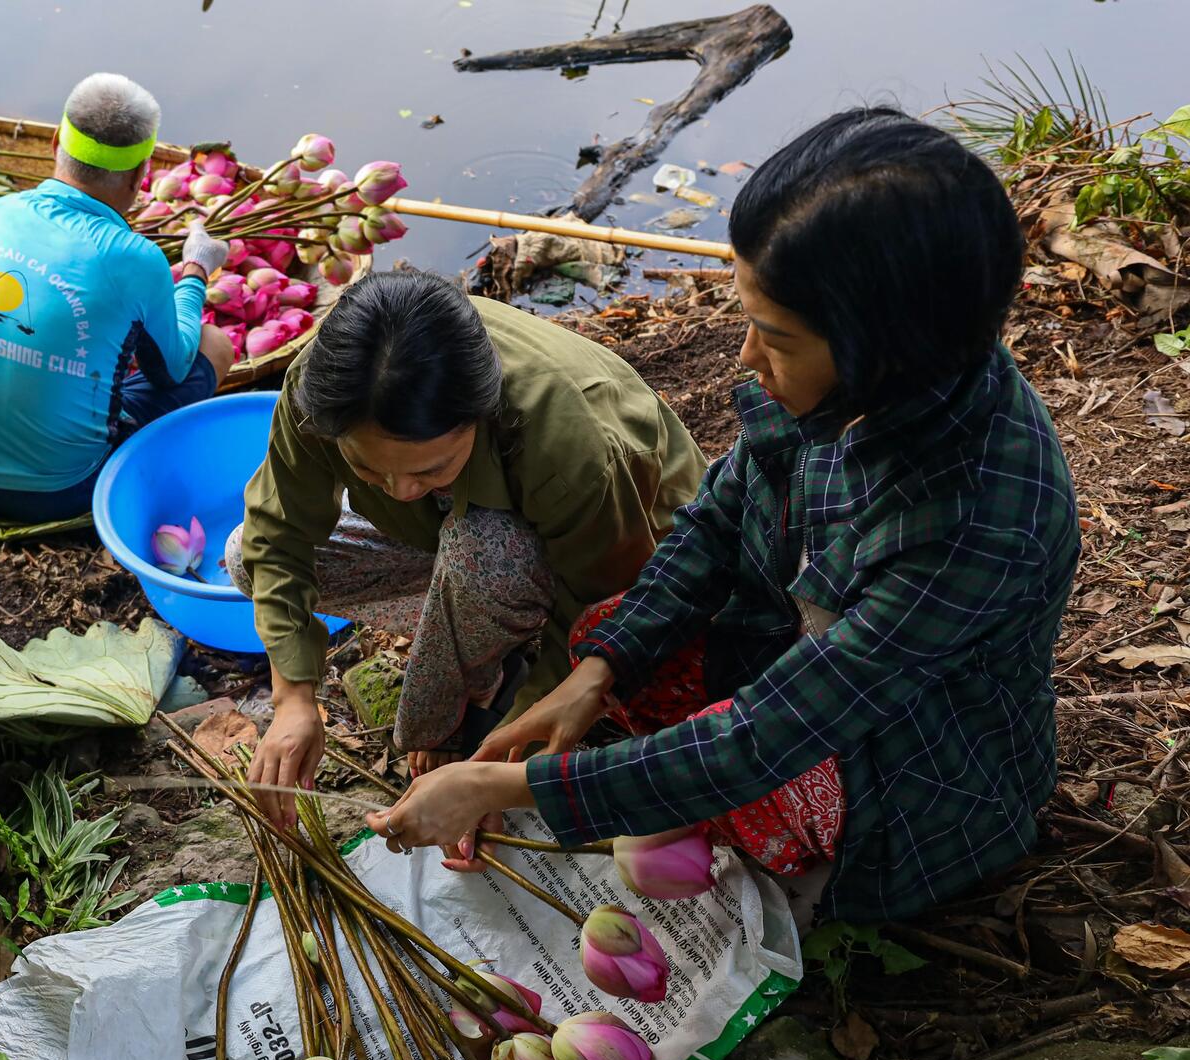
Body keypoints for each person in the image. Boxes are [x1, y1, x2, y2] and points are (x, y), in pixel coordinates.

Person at [366, 108, 1078, 923]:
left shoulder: (971, 522)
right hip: (807, 669)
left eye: (774, 336)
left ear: (881, 347)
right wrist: (598, 676)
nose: (745, 356)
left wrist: (504, 788)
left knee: (732, 772)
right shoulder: (862, 388)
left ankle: (815, 877)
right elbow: (716, 517)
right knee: (607, 635)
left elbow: (768, 737)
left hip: (911, 777)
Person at [228, 270, 708, 830]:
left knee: (488, 552)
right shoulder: (327, 386)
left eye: (431, 468)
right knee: (245, 555)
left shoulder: (564, 435)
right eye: (365, 467)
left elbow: (603, 607)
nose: (401, 490)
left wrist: (497, 772)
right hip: (460, 543)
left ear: (479, 419)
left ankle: (493, 672)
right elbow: (278, 534)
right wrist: (293, 697)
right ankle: (483, 644)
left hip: (629, 560)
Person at [0, 73, 234, 522]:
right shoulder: (138, 259)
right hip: (66, 489)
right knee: (214, 345)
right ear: (142, 174)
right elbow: (169, 372)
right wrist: (195, 269)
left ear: (55, 141)